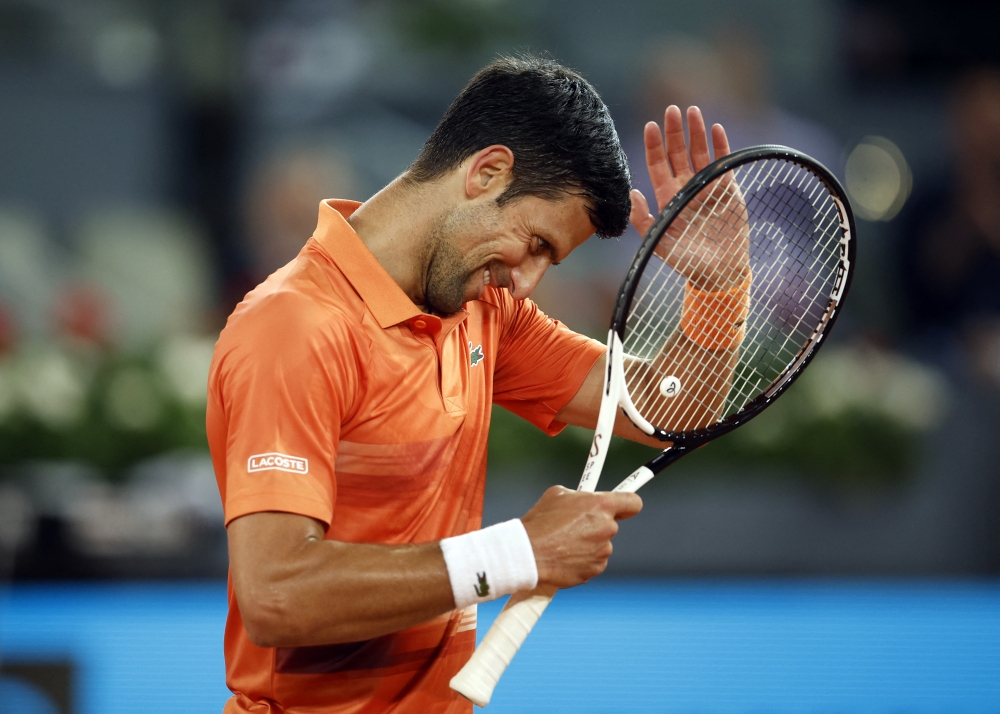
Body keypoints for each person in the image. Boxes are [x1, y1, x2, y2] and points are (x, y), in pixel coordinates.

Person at [207, 55, 740, 713]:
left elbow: (675, 408)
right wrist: (517, 551)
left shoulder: (487, 311)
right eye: (537, 244)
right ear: (486, 173)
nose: (528, 281)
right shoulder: (294, 326)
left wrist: (716, 288)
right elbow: (277, 596)